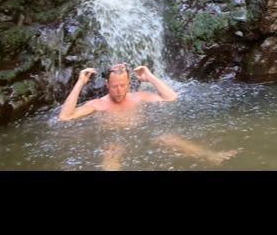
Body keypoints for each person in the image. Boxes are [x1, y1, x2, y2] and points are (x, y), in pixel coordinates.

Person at [59, 62, 238, 167]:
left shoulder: (139, 97)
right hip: (115, 138)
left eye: (123, 85)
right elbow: (65, 117)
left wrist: (150, 77)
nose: (119, 90)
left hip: (143, 135)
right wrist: (80, 83)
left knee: (168, 138)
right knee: (112, 151)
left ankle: (211, 156)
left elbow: (171, 98)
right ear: (107, 85)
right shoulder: (98, 105)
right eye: (114, 86)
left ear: (129, 83)